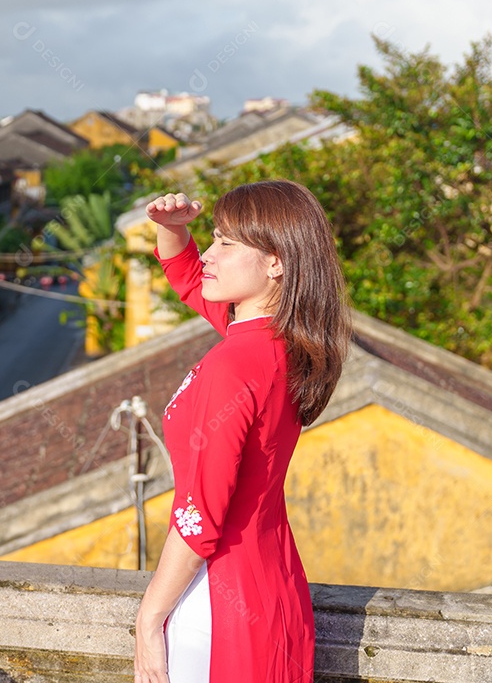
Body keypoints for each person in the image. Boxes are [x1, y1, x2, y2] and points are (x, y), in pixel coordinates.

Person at [133, 183, 351, 683]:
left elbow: (198, 518)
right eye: (211, 238)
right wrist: (173, 230)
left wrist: (148, 620)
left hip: (215, 606)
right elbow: (189, 277)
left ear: (276, 262)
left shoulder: (233, 364)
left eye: (226, 244)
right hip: (275, 593)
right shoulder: (287, 345)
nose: (209, 254)